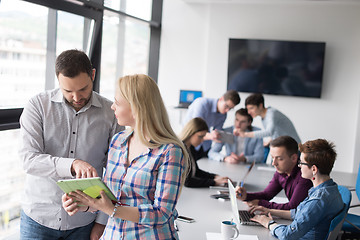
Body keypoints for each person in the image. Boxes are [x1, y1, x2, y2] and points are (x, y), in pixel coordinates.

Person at [62, 74, 188, 239]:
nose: (112, 107)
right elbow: (110, 198)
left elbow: (162, 213)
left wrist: (111, 209)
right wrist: (85, 203)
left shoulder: (170, 152)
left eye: (117, 102)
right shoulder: (118, 141)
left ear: (136, 108)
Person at [19, 49, 123, 240]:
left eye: (83, 89)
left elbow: (117, 171)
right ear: (58, 80)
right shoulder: (37, 106)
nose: (76, 97)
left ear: (92, 75)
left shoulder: (111, 113)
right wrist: (72, 164)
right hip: (38, 218)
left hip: (84, 222)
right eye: (68, 91)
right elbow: (28, 159)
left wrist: (102, 221)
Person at [249, 139, 343, 240]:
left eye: (302, 163)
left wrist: (268, 223)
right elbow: (298, 213)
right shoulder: (330, 188)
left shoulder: (317, 200)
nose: (299, 166)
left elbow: (287, 235)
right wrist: (270, 211)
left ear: (314, 169)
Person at [236, 136, 312, 210]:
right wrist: (246, 196)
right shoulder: (281, 171)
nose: (274, 163)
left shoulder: (305, 176)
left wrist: (260, 203)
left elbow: (293, 207)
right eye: (272, 157)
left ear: (294, 158)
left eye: (279, 159)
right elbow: (267, 194)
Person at [182, 90, 241, 160]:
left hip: (204, 145)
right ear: (221, 99)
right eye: (226, 106)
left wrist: (219, 136)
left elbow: (217, 131)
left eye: (230, 108)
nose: (227, 110)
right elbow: (196, 130)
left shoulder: (223, 115)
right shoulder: (202, 104)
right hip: (190, 142)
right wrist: (212, 136)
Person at [179, 117, 230, 188]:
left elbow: (196, 172)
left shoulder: (190, 148)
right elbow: (188, 182)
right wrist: (214, 182)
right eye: (200, 136)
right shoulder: (180, 150)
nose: (202, 140)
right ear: (191, 133)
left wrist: (215, 177)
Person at [234, 93, 301, 146]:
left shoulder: (271, 113)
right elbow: (276, 131)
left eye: (251, 108)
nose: (249, 112)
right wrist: (270, 141)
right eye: (248, 109)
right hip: (284, 147)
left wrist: (245, 134)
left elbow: (269, 132)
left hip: (293, 148)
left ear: (260, 106)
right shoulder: (264, 117)